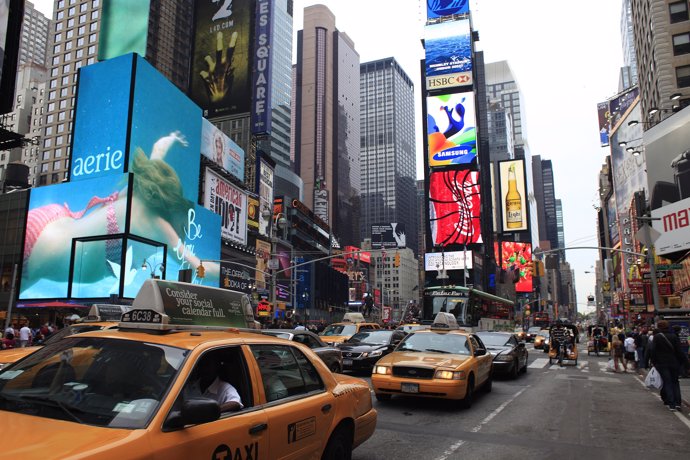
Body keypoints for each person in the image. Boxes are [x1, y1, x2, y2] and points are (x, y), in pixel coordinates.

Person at [21, 131, 220, 292]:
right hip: (38, 256)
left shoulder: (139, 187)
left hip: (51, 222)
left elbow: (157, 150)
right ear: (172, 206)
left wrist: (171, 138)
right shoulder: (159, 226)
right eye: (186, 224)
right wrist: (235, 274)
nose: (185, 231)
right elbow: (200, 268)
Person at [650, 320, 689, 412]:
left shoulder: (657, 337)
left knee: (667, 382)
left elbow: (653, 351)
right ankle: (678, 403)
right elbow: (679, 352)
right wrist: (685, 364)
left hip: (662, 363)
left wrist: (654, 362)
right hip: (674, 362)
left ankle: (671, 404)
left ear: (659, 327)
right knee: (675, 382)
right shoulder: (674, 336)